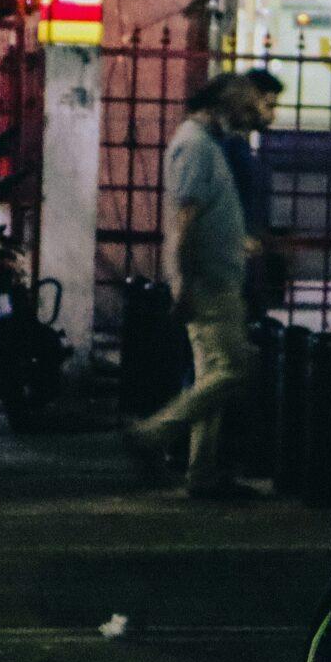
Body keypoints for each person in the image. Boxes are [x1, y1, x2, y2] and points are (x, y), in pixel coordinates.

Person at [123, 72, 261, 499]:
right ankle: (154, 433)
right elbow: (184, 220)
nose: (249, 114)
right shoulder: (197, 146)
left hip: (213, 279)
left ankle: (201, 473)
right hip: (210, 284)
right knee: (233, 370)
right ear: (220, 104)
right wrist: (181, 281)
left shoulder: (203, 144)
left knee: (211, 376)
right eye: (243, 105)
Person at [220, 68, 286, 314]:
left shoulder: (239, 143)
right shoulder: (231, 145)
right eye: (268, 106)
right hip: (233, 253)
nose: (271, 116)